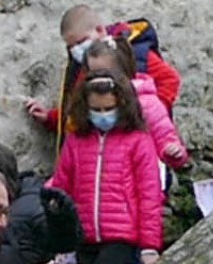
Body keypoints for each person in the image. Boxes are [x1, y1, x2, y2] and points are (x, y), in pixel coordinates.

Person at [47, 65, 166, 264]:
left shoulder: (138, 141)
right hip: (84, 238)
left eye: (108, 108)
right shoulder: (75, 141)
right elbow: (63, 189)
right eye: (96, 109)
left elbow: (149, 196)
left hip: (123, 239)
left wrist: (150, 246)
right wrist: (64, 242)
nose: (102, 115)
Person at [26, 6, 180, 152]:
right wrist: (51, 118)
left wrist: (146, 115)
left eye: (80, 42)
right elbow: (83, 104)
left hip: (138, 142)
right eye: (71, 46)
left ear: (99, 30)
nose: (76, 50)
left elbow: (169, 80)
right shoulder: (81, 66)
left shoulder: (134, 52)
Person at [81, 38, 192, 172]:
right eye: (92, 75)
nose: (98, 81)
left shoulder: (146, 103)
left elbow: (164, 134)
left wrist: (173, 152)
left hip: (141, 176)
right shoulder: (86, 105)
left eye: (105, 74)